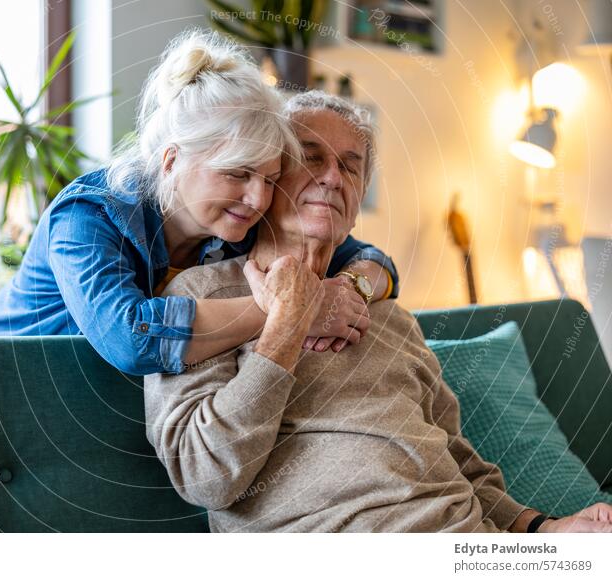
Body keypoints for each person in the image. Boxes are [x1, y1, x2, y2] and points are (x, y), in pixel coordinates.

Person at [144, 91, 612, 532]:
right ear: (268, 179)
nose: (332, 177)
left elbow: (457, 458)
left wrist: (544, 528)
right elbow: (206, 477)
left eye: (350, 167)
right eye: (311, 157)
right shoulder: (199, 299)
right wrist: (286, 323)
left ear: (356, 204)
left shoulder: (387, 316)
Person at [0, 29, 398, 375]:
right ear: (172, 160)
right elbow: (132, 339)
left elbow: (371, 259)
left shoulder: (239, 221)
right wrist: (294, 311)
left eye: (269, 178)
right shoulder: (88, 216)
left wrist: (352, 287)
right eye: (237, 174)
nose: (258, 197)